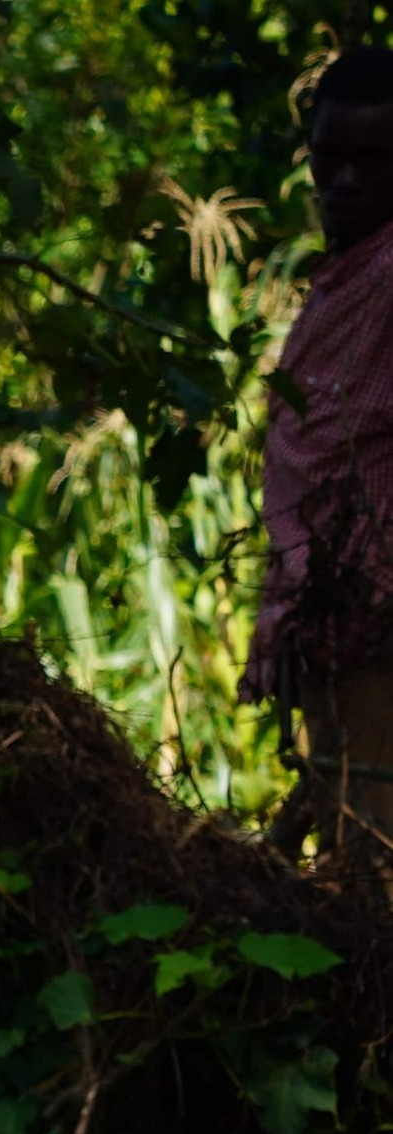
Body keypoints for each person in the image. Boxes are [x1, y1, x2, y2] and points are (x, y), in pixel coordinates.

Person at [256, 49, 393, 848]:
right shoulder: (347, 274)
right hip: (335, 630)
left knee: (373, 875)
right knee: (354, 856)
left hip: (377, 626)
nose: (343, 182)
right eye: (328, 158)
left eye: (372, 163)